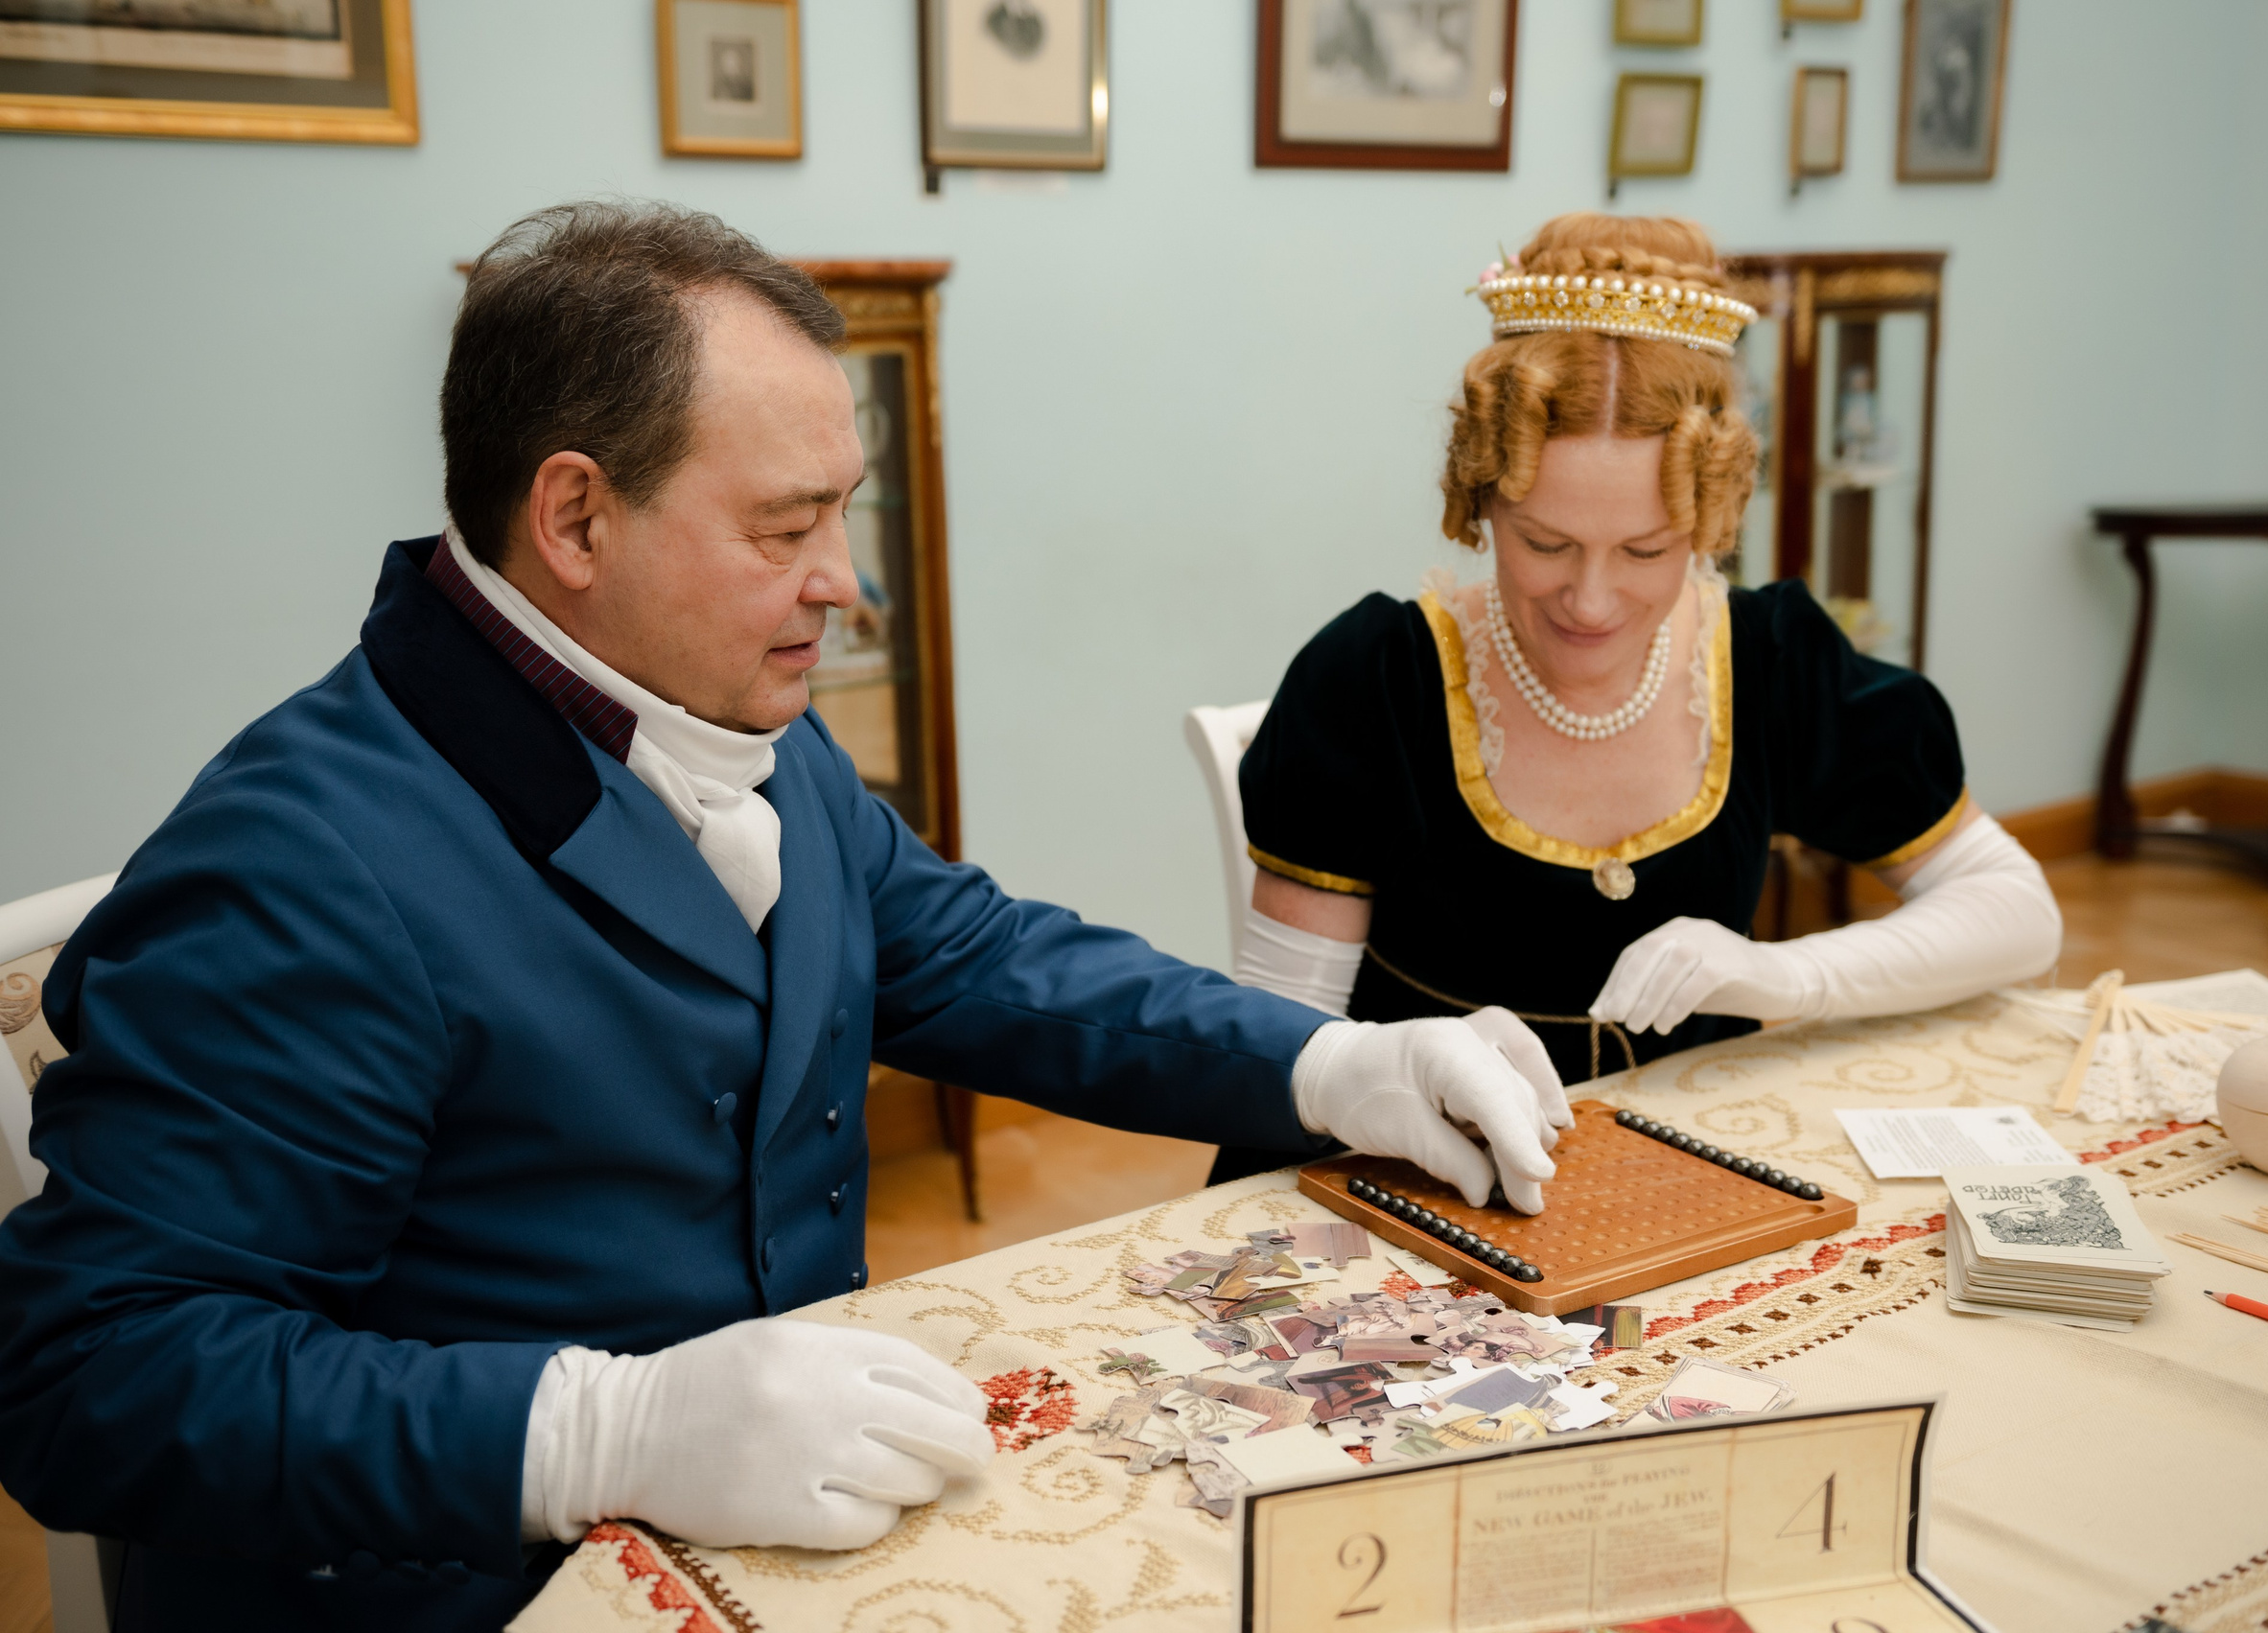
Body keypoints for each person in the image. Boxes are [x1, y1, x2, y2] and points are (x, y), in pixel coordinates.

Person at [0, 201, 1571, 1633]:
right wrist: (597, 1427)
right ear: (575, 518)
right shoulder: (300, 859)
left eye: (847, 513)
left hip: (797, 1537)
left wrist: (1328, 1066)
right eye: (785, 526)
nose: (846, 583)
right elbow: (92, 1379)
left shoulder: (732, 716)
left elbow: (978, 955)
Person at [1216, 212, 2060, 1181]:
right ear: (1482, 496)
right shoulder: (1374, 679)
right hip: (1420, 1185)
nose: (1590, 600)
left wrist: (1789, 974)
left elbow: (2018, 910)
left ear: (1709, 516)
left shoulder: (1769, 660)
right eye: (1544, 543)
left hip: (1685, 1182)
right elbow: (1274, 1057)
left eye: (1647, 551)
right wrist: (1393, 1056)